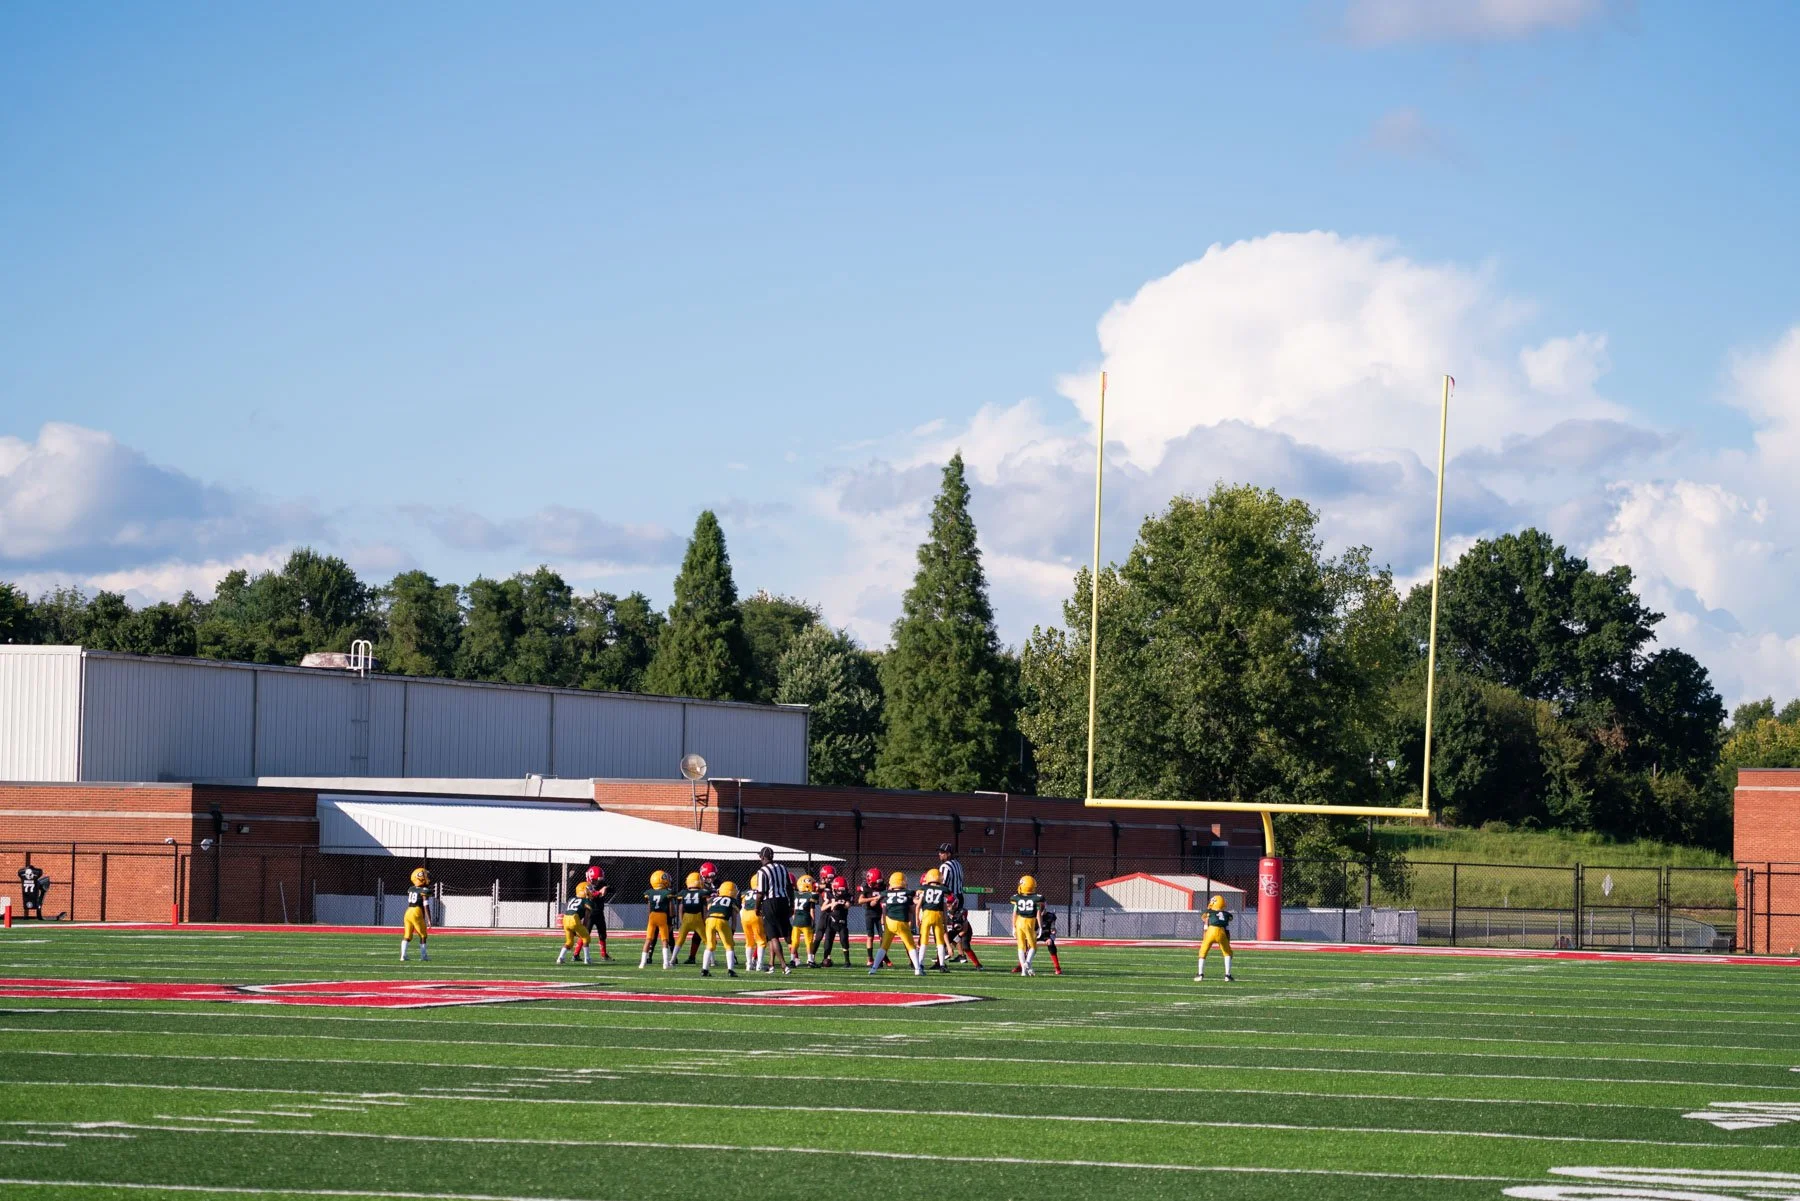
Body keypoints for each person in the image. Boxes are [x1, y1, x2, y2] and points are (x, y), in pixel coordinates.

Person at [870, 871, 923, 976]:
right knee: (911, 946)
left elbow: (874, 902)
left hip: (890, 923)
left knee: (883, 947)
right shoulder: (909, 892)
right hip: (902, 922)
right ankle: (917, 969)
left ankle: (873, 968)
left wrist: (875, 901)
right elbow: (916, 898)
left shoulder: (886, 893)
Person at [754, 847, 794, 974]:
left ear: (763, 857)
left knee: (773, 935)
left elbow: (761, 893)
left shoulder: (762, 871)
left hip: (770, 903)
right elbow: (789, 888)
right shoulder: (782, 868)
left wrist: (757, 907)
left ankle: (783, 965)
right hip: (783, 901)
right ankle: (771, 964)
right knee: (776, 935)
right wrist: (791, 904)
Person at [680, 863, 719, 964]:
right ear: (702, 876)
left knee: (721, 935)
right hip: (701, 913)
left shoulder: (719, 884)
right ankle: (692, 957)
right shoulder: (698, 884)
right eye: (708, 877)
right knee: (697, 936)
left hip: (715, 913)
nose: (711, 879)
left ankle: (731, 957)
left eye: (713, 876)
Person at [701, 880, 740, 978]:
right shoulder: (733, 901)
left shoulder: (713, 899)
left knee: (710, 945)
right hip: (722, 920)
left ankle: (704, 969)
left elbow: (708, 910)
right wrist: (732, 930)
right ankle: (731, 970)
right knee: (729, 946)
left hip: (709, 920)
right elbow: (734, 919)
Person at [915, 868, 951, 972]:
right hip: (938, 915)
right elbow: (944, 908)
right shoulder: (943, 889)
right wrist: (945, 922)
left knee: (924, 941)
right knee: (940, 942)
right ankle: (942, 965)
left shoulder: (923, 889)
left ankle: (920, 964)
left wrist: (917, 918)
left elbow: (918, 906)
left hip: (926, 915)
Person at [640, 870, 677, 969]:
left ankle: (642, 963)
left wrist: (649, 918)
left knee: (648, 940)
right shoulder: (667, 893)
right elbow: (671, 909)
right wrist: (673, 917)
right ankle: (665, 963)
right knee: (665, 940)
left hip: (652, 917)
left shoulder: (649, 893)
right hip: (662, 917)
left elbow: (649, 907)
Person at [1010, 874, 1043, 976]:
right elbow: (1038, 913)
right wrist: (1040, 927)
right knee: (1033, 946)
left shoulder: (1016, 898)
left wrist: (1013, 927)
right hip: (1029, 922)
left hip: (1019, 921)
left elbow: (1014, 913)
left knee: (1021, 946)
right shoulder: (1037, 898)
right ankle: (1027, 963)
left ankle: (1024, 972)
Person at [1196, 894, 1234, 982]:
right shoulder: (1227, 914)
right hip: (1221, 932)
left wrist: (1205, 937)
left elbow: (1206, 925)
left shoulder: (1208, 913)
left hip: (1211, 930)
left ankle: (1200, 974)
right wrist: (1228, 941)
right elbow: (1227, 928)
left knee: (1203, 952)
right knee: (1227, 953)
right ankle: (1227, 975)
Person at [818, 874, 853, 966]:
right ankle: (825, 959)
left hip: (842, 922)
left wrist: (842, 903)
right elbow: (825, 907)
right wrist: (833, 903)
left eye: (843, 890)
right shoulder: (829, 894)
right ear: (834, 888)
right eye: (839, 890)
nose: (841, 893)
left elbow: (848, 905)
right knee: (828, 941)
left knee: (844, 940)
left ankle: (847, 961)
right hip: (831, 921)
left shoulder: (848, 895)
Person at [676, 872, 710, 966]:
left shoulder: (684, 892)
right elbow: (705, 907)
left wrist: (680, 920)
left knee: (680, 939)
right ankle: (711, 961)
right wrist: (705, 920)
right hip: (699, 918)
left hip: (687, 918)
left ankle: (672, 959)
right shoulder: (703, 892)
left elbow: (680, 908)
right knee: (708, 940)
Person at [557, 881, 593, 966]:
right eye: (589, 889)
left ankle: (560, 958)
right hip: (574, 918)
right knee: (586, 937)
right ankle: (587, 959)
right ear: (584, 890)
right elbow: (587, 916)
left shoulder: (572, 899)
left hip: (565, 919)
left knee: (569, 941)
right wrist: (584, 927)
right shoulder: (586, 901)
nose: (591, 891)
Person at [401, 867, 432, 962]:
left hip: (408, 911)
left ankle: (403, 956)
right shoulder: (424, 890)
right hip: (417, 911)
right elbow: (425, 905)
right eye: (425, 875)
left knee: (407, 935)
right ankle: (423, 956)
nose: (427, 877)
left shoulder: (411, 889)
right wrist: (429, 919)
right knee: (423, 935)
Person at [945, 893, 983, 970]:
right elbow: (944, 931)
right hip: (954, 931)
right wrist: (948, 947)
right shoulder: (945, 913)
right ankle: (939, 964)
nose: (947, 904)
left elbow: (964, 929)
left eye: (949, 903)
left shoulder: (962, 912)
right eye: (947, 902)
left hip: (965, 931)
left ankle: (978, 965)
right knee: (941, 943)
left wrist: (954, 942)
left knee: (965, 946)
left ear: (955, 903)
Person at [856, 868, 885, 967]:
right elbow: (860, 900)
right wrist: (873, 899)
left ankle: (881, 958)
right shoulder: (865, 886)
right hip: (869, 913)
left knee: (883, 937)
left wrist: (879, 901)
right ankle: (870, 959)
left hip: (881, 914)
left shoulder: (883, 886)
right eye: (874, 883)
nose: (877, 885)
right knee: (870, 936)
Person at [583, 866, 611, 961]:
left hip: (599, 913)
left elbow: (613, 889)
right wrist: (600, 892)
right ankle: (576, 954)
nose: (598, 881)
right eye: (596, 879)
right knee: (585, 934)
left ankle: (604, 954)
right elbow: (591, 895)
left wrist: (606, 888)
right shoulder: (587, 886)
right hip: (589, 914)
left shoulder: (602, 884)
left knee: (602, 934)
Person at [790, 875, 819, 967]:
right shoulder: (811, 895)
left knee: (794, 941)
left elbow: (793, 910)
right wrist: (813, 921)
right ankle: (810, 960)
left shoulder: (795, 894)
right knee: (809, 941)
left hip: (796, 922)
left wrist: (795, 919)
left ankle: (792, 960)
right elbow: (812, 910)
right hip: (806, 921)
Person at [740, 878, 768, 972]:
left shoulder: (746, 892)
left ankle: (749, 965)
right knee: (761, 941)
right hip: (756, 914)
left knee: (749, 942)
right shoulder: (763, 891)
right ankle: (759, 965)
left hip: (745, 915)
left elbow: (743, 905)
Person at [935, 843, 965, 908]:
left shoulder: (945, 866)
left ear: (948, 854)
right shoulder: (958, 864)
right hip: (960, 897)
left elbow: (943, 886)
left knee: (947, 918)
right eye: (939, 852)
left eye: (942, 852)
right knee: (957, 917)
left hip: (950, 900)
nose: (939, 854)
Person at [1039, 907, 1063, 975]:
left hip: (1047, 934)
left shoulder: (1050, 916)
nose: (1040, 912)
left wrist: (1053, 931)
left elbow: (1052, 928)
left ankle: (1057, 967)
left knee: (1050, 943)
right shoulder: (1034, 916)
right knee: (1027, 944)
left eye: (1042, 910)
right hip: (1037, 933)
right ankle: (1021, 965)